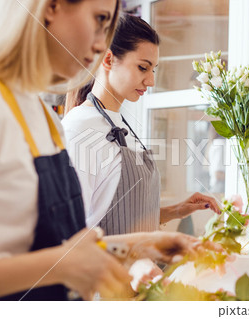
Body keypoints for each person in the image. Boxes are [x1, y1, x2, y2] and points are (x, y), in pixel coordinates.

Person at [0, 0, 211, 301]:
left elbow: (68, 247)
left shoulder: (42, 116)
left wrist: (148, 242)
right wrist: (60, 266)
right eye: (100, 19)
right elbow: (62, 260)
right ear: (51, 7)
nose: (102, 43)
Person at [62, 14, 221, 236]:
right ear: (108, 60)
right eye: (143, 68)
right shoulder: (79, 127)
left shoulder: (120, 123)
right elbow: (72, 232)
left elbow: (128, 218)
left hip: (141, 270)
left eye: (153, 69)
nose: (151, 81)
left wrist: (177, 210)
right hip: (107, 270)